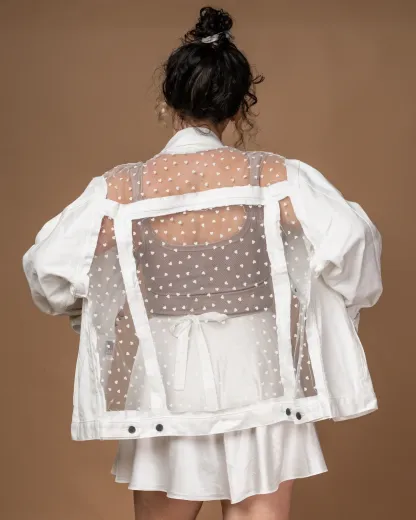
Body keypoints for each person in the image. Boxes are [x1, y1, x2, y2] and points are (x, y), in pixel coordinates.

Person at [22, 6, 383, 520]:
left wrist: (96, 307)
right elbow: (352, 244)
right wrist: (340, 304)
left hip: (164, 373)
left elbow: (48, 271)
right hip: (259, 367)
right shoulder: (276, 179)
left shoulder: (120, 190)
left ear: (168, 103)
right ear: (237, 110)